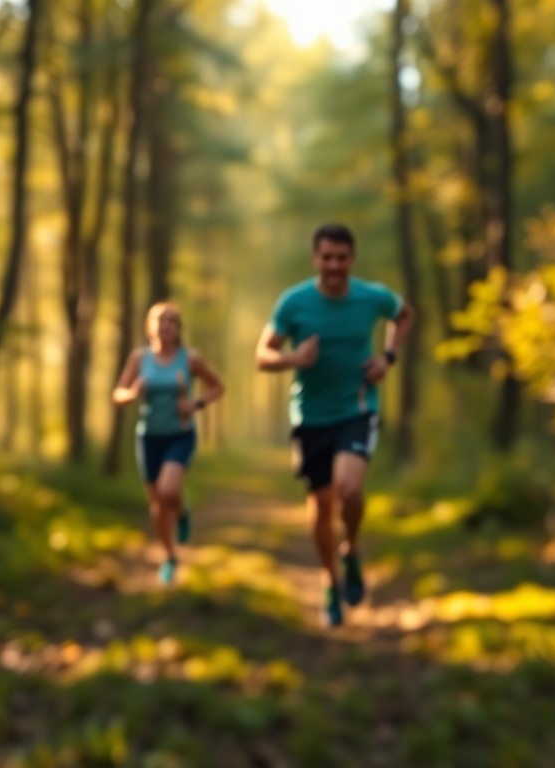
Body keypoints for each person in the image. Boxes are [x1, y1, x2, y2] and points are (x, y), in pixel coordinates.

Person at [254, 223, 414, 627]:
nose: (334, 266)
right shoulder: (294, 303)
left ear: (352, 259)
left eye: (341, 258)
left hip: (357, 409)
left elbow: (405, 314)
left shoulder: (371, 297)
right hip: (310, 417)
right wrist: (294, 359)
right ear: (315, 259)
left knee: (349, 487)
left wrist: (388, 357)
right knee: (321, 506)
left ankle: (351, 548)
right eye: (327, 257)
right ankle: (330, 579)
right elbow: (262, 356)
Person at [113, 302, 225, 585]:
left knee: (168, 490)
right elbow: (118, 393)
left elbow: (217, 387)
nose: (166, 326)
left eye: (172, 321)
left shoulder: (190, 359)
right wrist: (132, 394)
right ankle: (169, 556)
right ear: (149, 327)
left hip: (180, 435)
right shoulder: (140, 358)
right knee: (157, 503)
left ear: (178, 329)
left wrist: (196, 404)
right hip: (148, 436)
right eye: (160, 320)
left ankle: (182, 512)